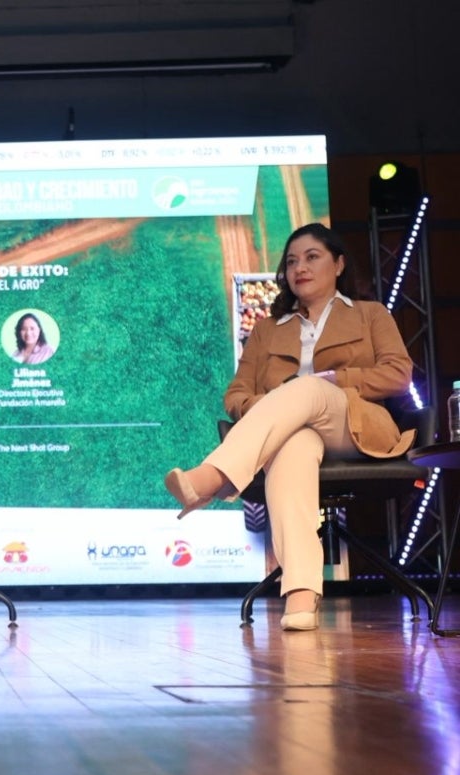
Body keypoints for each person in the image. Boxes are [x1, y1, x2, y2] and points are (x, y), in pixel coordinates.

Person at [163, 223, 415, 631]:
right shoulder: (266, 330)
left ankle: (212, 479)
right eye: (292, 261)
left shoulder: (370, 315)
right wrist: (277, 404)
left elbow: (398, 375)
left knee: (310, 389)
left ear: (339, 264)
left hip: (356, 425)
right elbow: (237, 395)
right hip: (291, 432)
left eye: (312, 257)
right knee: (294, 443)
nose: (300, 267)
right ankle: (300, 592)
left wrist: (333, 381)